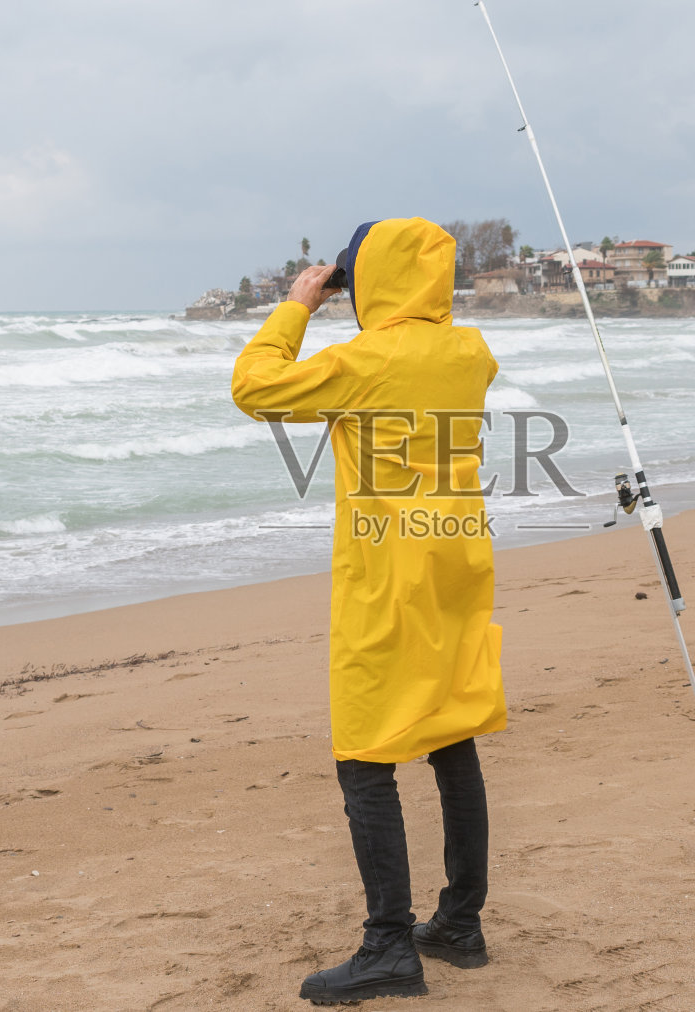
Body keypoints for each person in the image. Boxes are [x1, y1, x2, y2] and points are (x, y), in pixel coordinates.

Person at [232, 217, 506, 1004]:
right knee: (451, 735)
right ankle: (460, 923)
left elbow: (253, 385)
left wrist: (297, 306)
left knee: (365, 757)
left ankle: (389, 944)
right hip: (456, 564)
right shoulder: (470, 353)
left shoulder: (362, 361)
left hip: (389, 577)